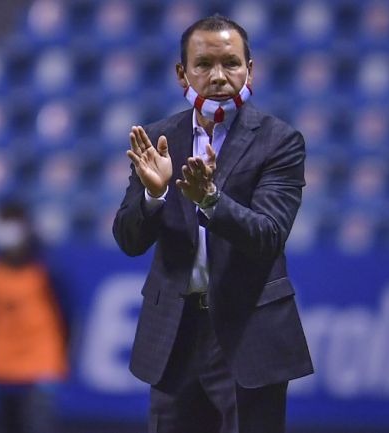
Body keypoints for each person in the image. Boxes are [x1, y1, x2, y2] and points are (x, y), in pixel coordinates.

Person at [113, 15, 313, 433]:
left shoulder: (280, 141)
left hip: (247, 336)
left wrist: (209, 199)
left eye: (231, 63)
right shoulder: (157, 138)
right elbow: (129, 241)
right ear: (181, 72)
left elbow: (268, 235)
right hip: (174, 334)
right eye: (204, 64)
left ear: (250, 70)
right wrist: (154, 196)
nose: (219, 76)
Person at [0, 201, 68, 433]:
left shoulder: (46, 270)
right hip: (2, 365)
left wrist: (61, 355)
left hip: (40, 365)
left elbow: (66, 314)